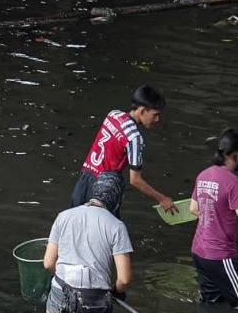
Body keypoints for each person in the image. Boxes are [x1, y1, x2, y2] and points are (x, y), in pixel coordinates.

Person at [41, 173, 132, 313]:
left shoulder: (64, 216)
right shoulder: (116, 226)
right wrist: (116, 292)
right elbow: (124, 279)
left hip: (58, 297)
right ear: (117, 199)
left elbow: (48, 263)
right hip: (93, 303)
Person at [71, 85, 176, 216]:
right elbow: (135, 180)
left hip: (84, 179)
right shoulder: (134, 138)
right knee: (105, 231)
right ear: (142, 110)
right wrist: (162, 198)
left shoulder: (113, 114)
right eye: (155, 114)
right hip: (104, 189)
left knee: (75, 225)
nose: (157, 119)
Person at [190, 128, 238, 307]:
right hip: (221, 256)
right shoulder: (233, 182)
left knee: (212, 304)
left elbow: (193, 208)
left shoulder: (204, 175)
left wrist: (217, 216)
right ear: (235, 155)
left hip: (199, 252)